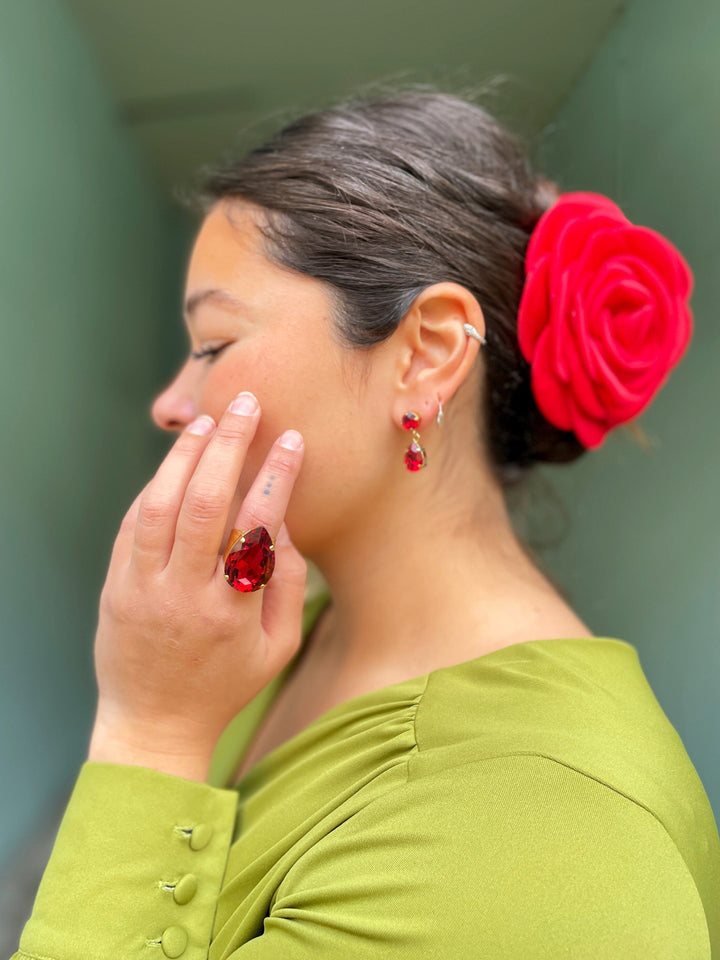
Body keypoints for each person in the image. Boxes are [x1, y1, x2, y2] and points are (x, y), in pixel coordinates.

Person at [11, 89, 719, 959]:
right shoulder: (279, 632)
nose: (169, 404)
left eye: (212, 345)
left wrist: (150, 730)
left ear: (426, 353)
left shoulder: (549, 816)